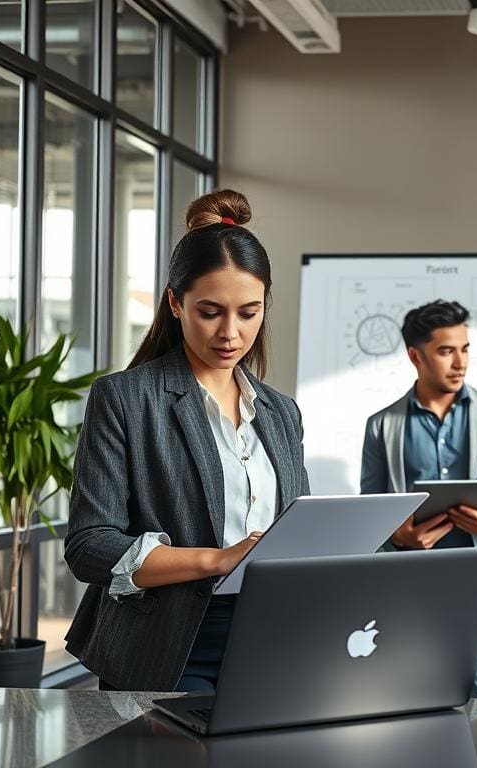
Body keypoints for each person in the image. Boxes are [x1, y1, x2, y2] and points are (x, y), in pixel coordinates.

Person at [64, 190, 310, 692]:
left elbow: (295, 526)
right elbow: (89, 547)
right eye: (210, 311)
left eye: (249, 312)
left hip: (275, 642)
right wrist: (219, 558)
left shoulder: (282, 412)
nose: (231, 333)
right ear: (175, 302)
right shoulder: (125, 398)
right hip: (166, 645)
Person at [360, 299, 477, 699]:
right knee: (413, 697)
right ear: (415, 356)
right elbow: (369, 508)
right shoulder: (382, 425)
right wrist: (399, 536)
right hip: (412, 585)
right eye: (446, 351)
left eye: (465, 348)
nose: (460, 362)